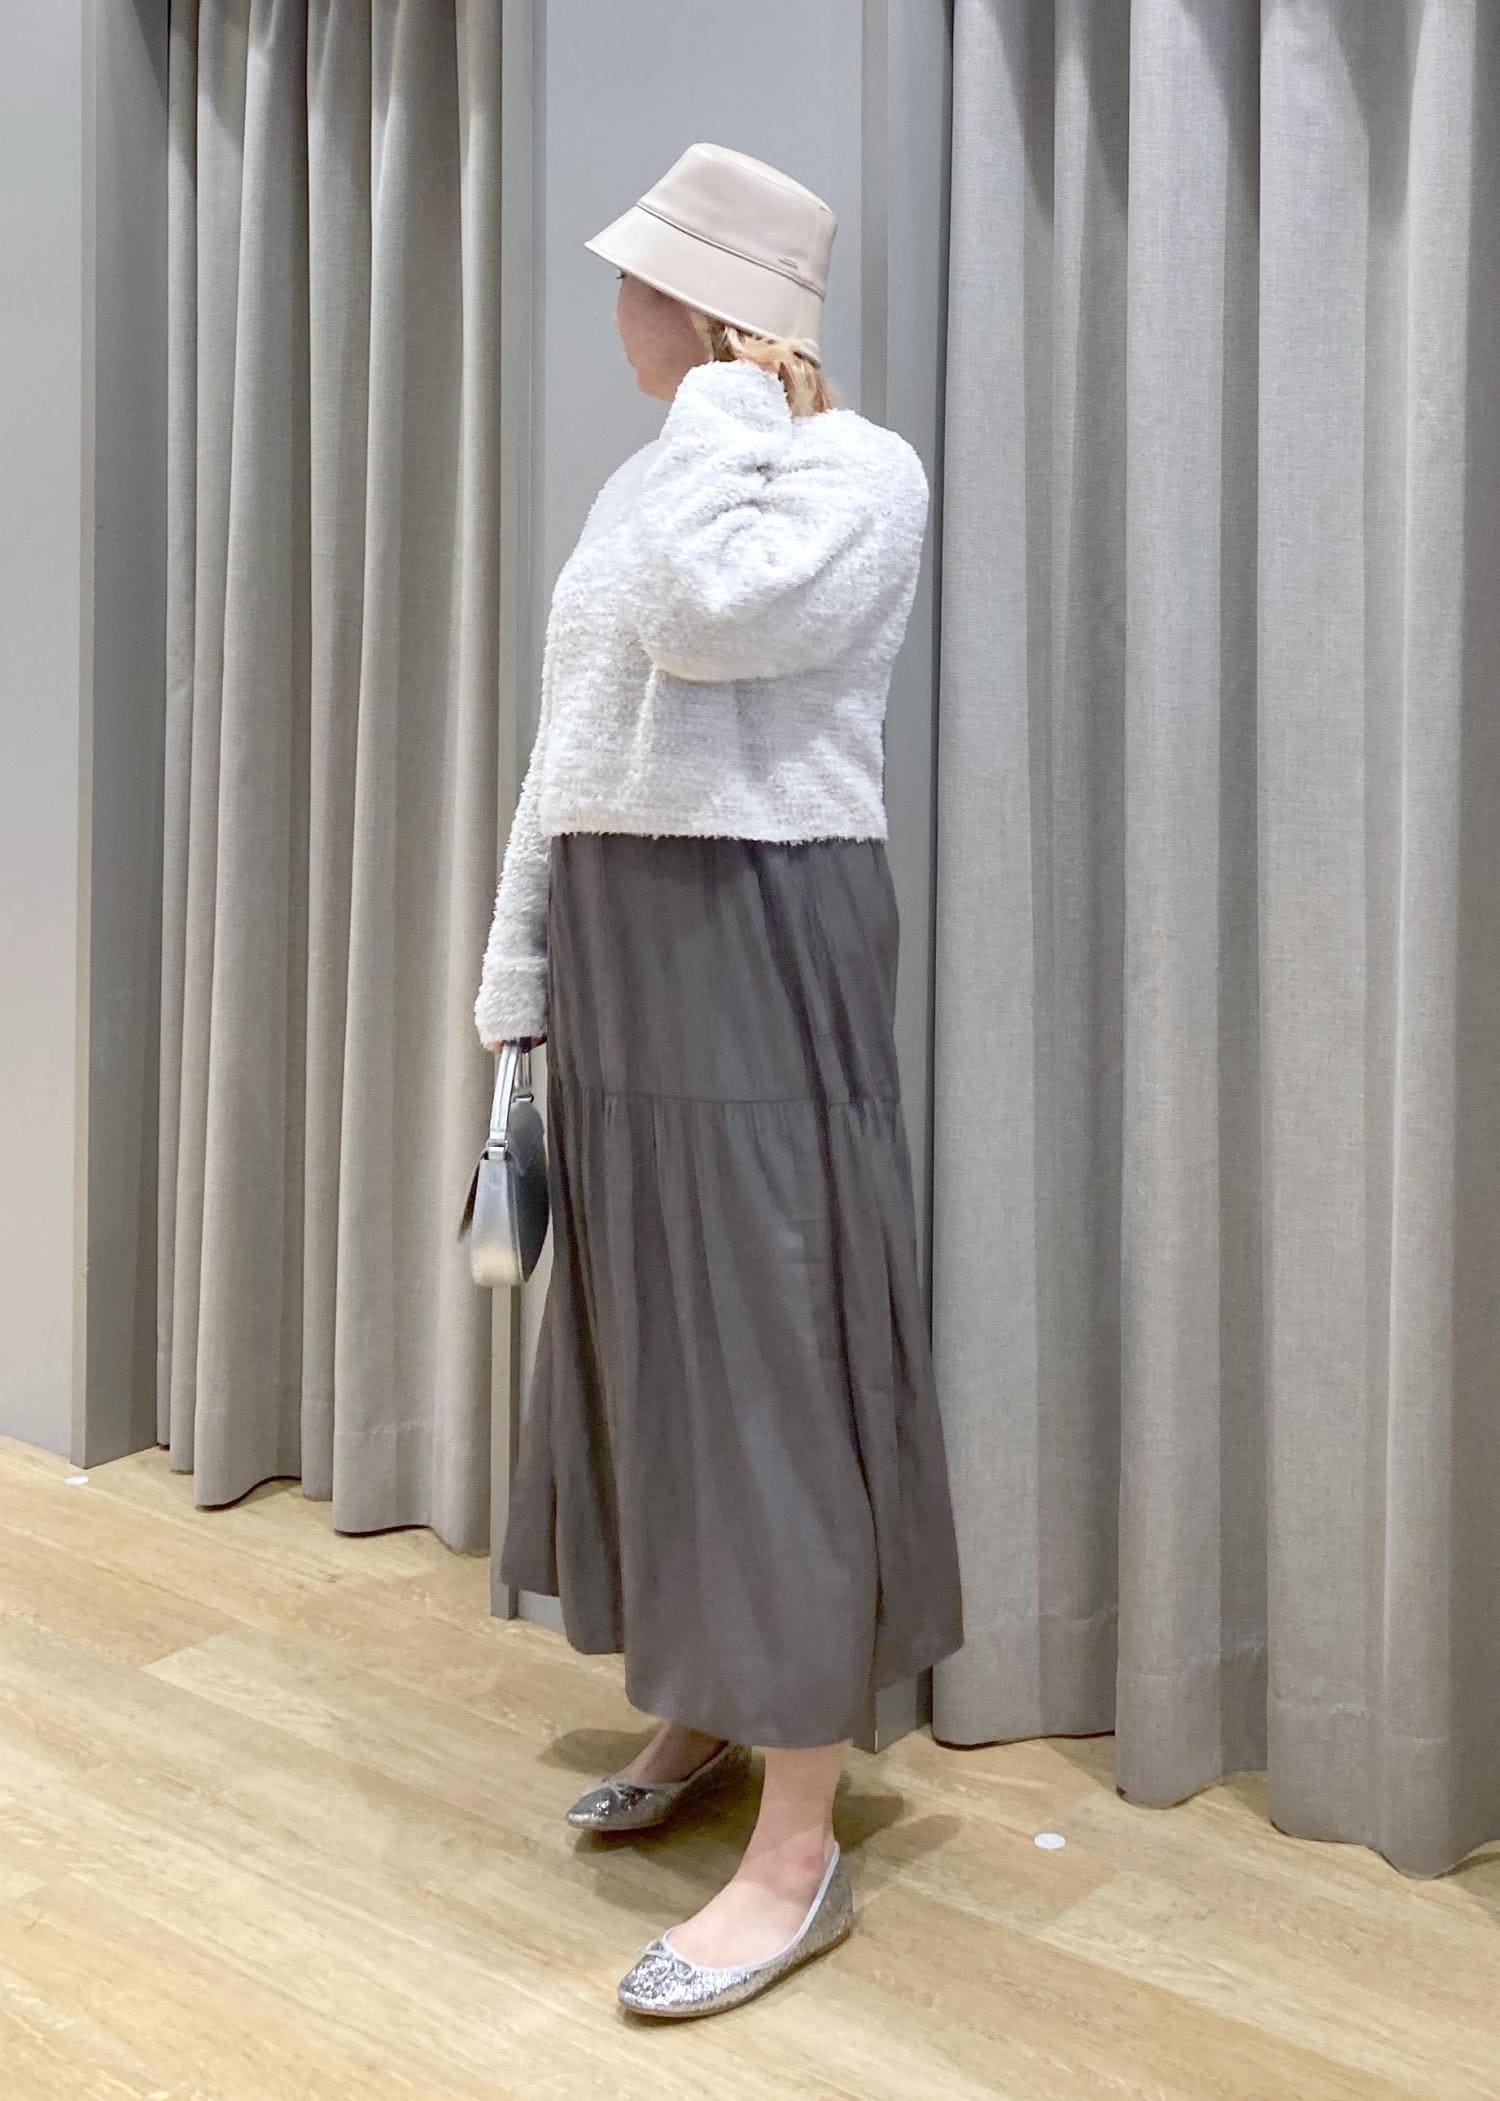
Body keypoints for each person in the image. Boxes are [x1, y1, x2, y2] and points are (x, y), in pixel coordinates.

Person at [474, 141, 965, 2019]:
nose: (611, 307)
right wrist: (521, 968)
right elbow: (570, 743)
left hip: (762, 930)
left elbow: (713, 623)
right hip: (621, 936)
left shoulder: (857, 471)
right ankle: (702, 1697)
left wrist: (728, 409)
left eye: (635, 279)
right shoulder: (648, 479)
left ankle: (800, 1837)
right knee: (655, 1342)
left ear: (701, 306)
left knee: (768, 1345)